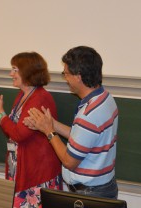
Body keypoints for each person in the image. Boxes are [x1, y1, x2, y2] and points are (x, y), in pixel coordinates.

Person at [24, 46, 119, 199]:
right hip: (101, 189)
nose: (66, 79)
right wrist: (51, 123)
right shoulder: (105, 98)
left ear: (78, 77)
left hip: (90, 194)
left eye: (66, 74)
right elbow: (81, 138)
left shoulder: (90, 114)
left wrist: (49, 132)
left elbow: (69, 161)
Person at [0, 52, 62, 208]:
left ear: (27, 71)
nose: (10, 74)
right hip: (20, 169)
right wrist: (1, 115)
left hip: (37, 174)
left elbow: (19, 134)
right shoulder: (22, 95)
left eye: (14, 69)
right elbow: (10, 131)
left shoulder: (40, 98)